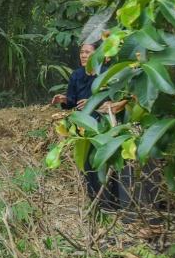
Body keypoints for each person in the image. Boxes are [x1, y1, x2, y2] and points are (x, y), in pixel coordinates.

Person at [50, 41, 122, 210]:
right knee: (88, 165)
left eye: (88, 52)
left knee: (105, 161)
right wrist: (64, 100)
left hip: (104, 125)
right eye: (82, 52)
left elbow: (116, 99)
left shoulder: (107, 74)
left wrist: (94, 102)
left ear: (98, 55)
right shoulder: (76, 75)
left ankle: (115, 203)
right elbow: (72, 101)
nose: (83, 55)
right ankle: (97, 204)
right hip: (83, 126)